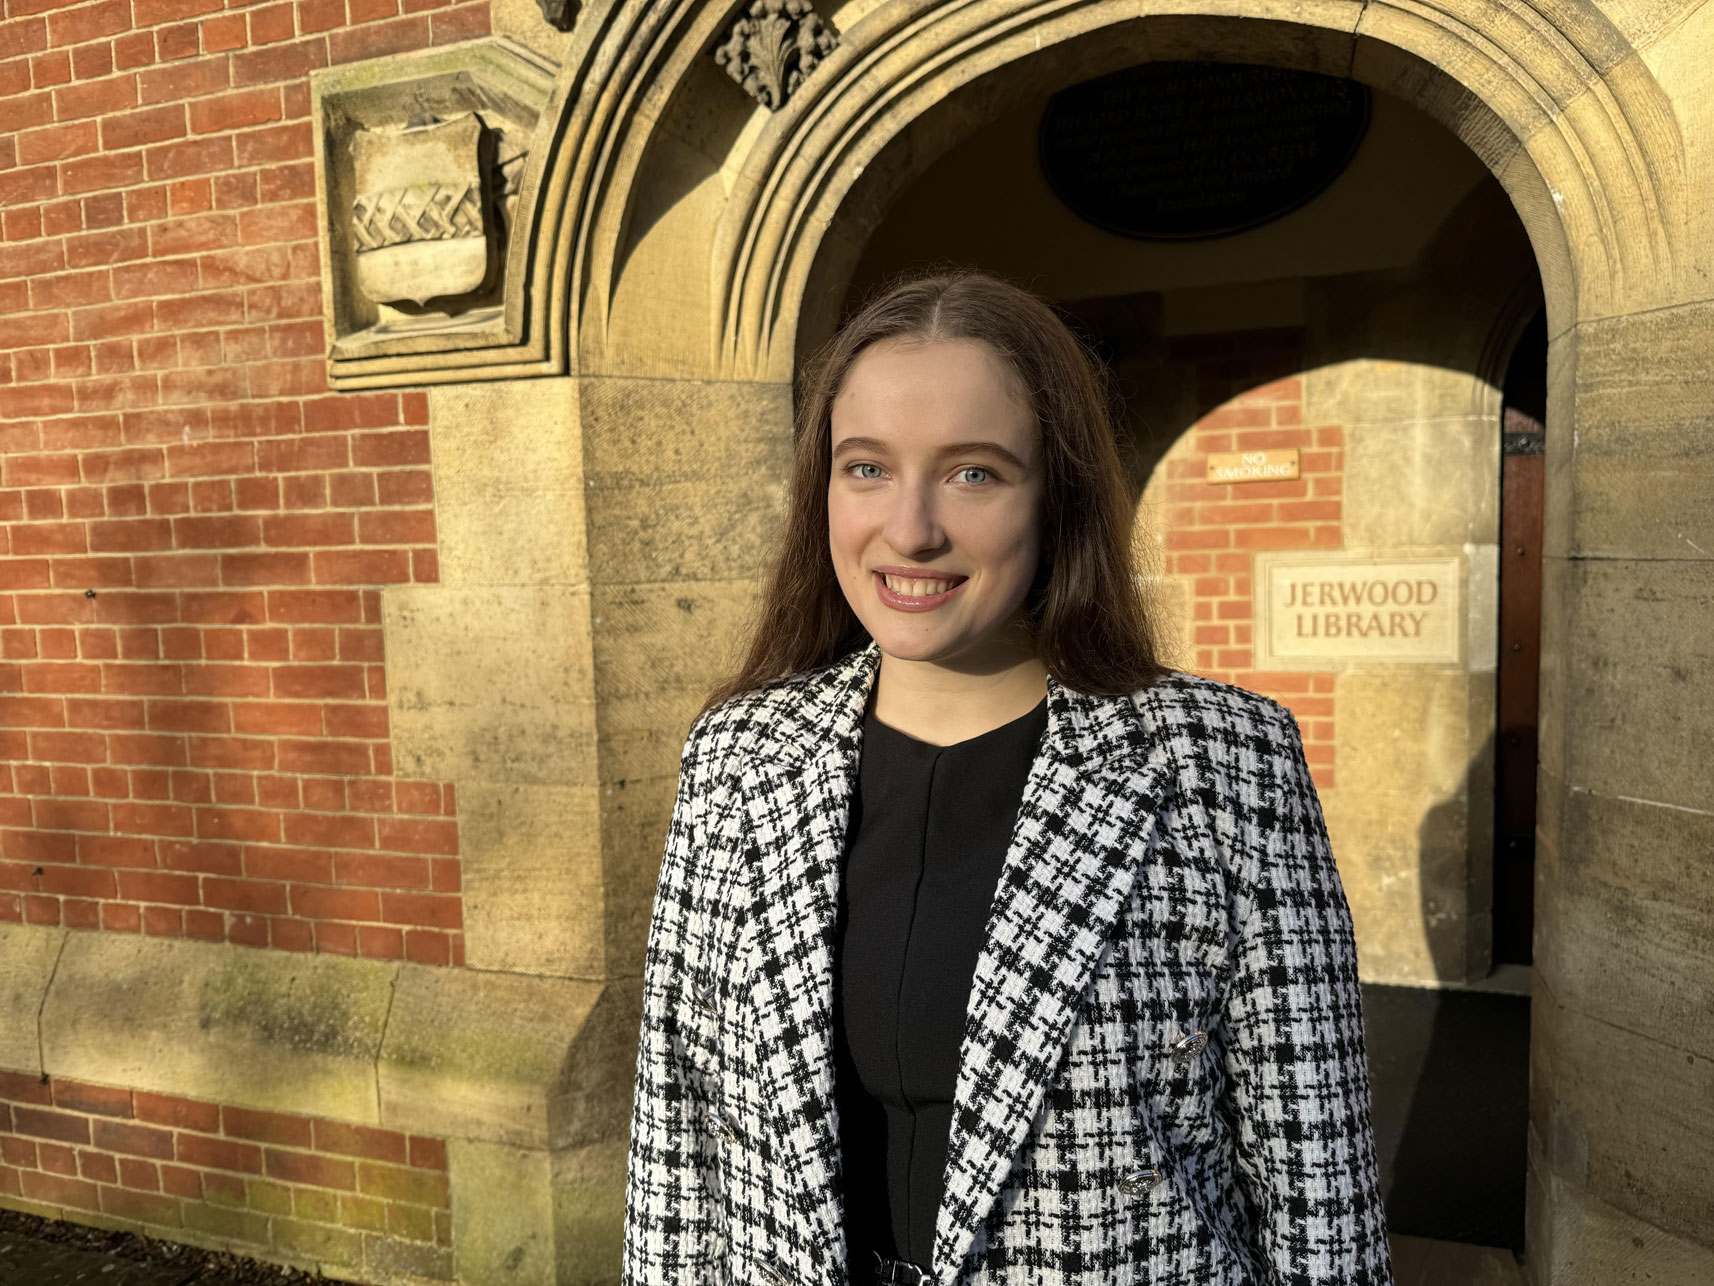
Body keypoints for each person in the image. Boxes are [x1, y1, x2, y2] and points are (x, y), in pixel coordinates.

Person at [621, 271, 1393, 1285]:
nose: (909, 529)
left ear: (1056, 492)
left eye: (972, 474)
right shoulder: (737, 755)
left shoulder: (1219, 764)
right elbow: (678, 1147)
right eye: (865, 468)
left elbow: (1317, 1184)